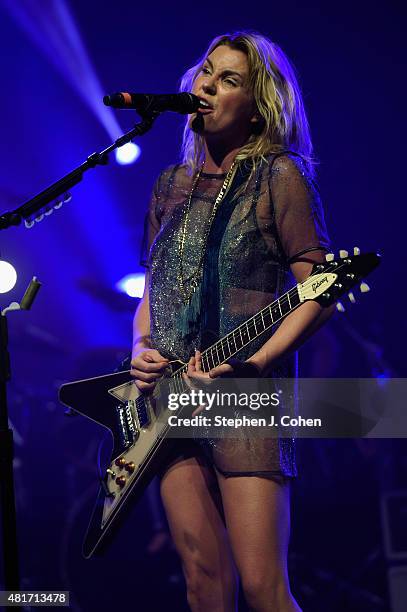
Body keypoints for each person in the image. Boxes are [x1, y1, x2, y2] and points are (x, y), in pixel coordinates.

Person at [130, 31, 333, 612]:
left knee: (264, 587)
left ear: (257, 108)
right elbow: (151, 292)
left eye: (229, 80)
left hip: (242, 394)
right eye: (206, 72)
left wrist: (258, 361)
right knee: (202, 580)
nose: (208, 86)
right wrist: (141, 345)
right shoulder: (169, 185)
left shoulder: (280, 177)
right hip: (167, 395)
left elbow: (315, 289)